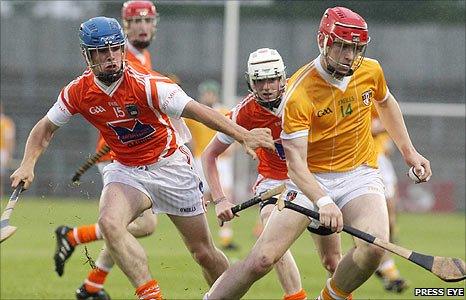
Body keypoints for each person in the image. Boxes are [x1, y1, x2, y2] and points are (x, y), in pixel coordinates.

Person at [10, 16, 275, 300]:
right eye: (102, 51)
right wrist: (28, 163)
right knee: (111, 224)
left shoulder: (148, 84)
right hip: (126, 170)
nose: (111, 57)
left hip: (171, 166)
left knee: (203, 253)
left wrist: (242, 134)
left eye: (115, 49)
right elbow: (45, 128)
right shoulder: (78, 91)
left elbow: (200, 112)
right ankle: (150, 296)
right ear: (87, 56)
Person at [205, 6, 431, 300]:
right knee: (261, 260)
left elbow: (386, 103)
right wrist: (323, 200)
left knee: (373, 248)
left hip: (359, 173)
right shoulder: (299, 93)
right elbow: (296, 163)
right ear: (323, 42)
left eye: (356, 48)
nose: (350, 55)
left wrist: (409, 152)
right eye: (342, 46)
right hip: (311, 177)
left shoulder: (370, 70)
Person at [202, 48, 341, 300]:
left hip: (312, 180)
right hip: (274, 183)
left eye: (272, 79)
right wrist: (221, 199)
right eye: (260, 81)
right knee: (269, 234)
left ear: (283, 78)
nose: (267, 87)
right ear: (251, 82)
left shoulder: (305, 96)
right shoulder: (244, 113)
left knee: (332, 262)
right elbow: (209, 154)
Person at [52, 2, 161, 299]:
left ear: (155, 24)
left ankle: (91, 284)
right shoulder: (119, 59)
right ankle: (76, 238)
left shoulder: (142, 56)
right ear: (124, 26)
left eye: (147, 20)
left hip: (137, 150)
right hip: (119, 153)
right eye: (135, 21)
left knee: (122, 228)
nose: (142, 26)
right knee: (142, 224)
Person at [184, 80, 238, 250]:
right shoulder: (195, 114)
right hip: (202, 160)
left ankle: (226, 238)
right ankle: (203, 238)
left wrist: (233, 148)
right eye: (205, 93)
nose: (208, 96)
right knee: (204, 199)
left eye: (210, 93)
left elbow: (235, 131)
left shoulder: (223, 112)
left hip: (222, 161)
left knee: (226, 197)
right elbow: (185, 134)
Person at [371, 108, 408, 293]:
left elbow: (387, 142)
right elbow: (369, 129)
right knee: (378, 224)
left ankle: (382, 266)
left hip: (384, 164)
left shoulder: (382, 109)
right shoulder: (363, 102)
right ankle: (388, 269)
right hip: (369, 164)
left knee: (391, 222)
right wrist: (388, 124)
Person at [0, 104, 16, 197]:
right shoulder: (6, 122)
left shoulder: (6, 123)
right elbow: (10, 140)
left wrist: (9, 154)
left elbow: (9, 139)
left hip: (2, 152)